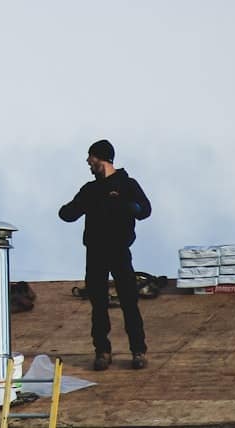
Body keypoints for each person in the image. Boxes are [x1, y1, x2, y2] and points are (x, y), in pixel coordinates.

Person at [58, 139, 152, 371]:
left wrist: (131, 208)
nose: (88, 162)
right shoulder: (90, 190)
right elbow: (67, 213)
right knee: (98, 303)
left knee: (129, 301)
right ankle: (102, 351)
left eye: (90, 157)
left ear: (100, 158)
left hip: (119, 251)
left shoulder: (127, 184)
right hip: (95, 253)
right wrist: (75, 207)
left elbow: (145, 209)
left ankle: (138, 351)